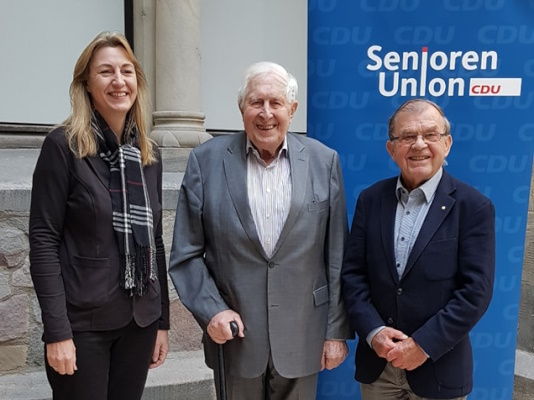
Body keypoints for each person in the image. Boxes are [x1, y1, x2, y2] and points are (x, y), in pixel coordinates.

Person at [168, 61, 352, 399]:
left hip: (304, 334)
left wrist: (335, 331)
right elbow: (186, 254)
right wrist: (212, 310)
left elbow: (337, 255)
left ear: (292, 109)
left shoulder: (324, 161)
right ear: (242, 108)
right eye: (256, 102)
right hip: (236, 339)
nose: (265, 113)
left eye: (275, 103)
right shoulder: (205, 162)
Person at [29, 31, 169, 400]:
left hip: (139, 322)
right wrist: (57, 332)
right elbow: (44, 241)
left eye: (127, 71)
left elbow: (153, 241)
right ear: (87, 85)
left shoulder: (147, 154)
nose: (119, 81)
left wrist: (162, 322)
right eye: (106, 72)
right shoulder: (63, 146)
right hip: (82, 326)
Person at [341, 98, 495, 400]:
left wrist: (422, 345)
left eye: (430, 135)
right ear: (391, 148)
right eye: (407, 136)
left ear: (447, 143)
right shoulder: (370, 200)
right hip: (378, 367)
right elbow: (353, 276)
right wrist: (374, 333)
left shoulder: (473, 207)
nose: (419, 144)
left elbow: (476, 291)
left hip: (439, 368)